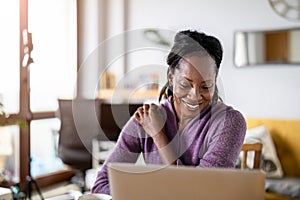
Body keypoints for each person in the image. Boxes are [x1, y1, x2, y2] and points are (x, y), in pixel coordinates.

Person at [92, 29, 246, 194]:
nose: (195, 96)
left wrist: (159, 136)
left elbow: (200, 194)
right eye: (185, 84)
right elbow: (101, 184)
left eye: (205, 86)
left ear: (215, 82)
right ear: (171, 78)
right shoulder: (146, 118)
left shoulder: (229, 123)